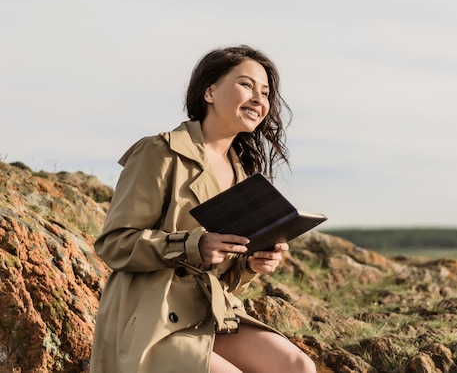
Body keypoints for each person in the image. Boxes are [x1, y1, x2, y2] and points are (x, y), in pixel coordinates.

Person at [89, 45, 317, 373]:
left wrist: (251, 264)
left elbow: (225, 278)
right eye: (246, 85)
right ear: (210, 92)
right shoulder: (159, 152)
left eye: (265, 92)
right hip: (154, 317)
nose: (259, 99)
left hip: (212, 314)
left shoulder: (243, 176)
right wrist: (192, 244)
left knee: (298, 366)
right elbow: (113, 244)